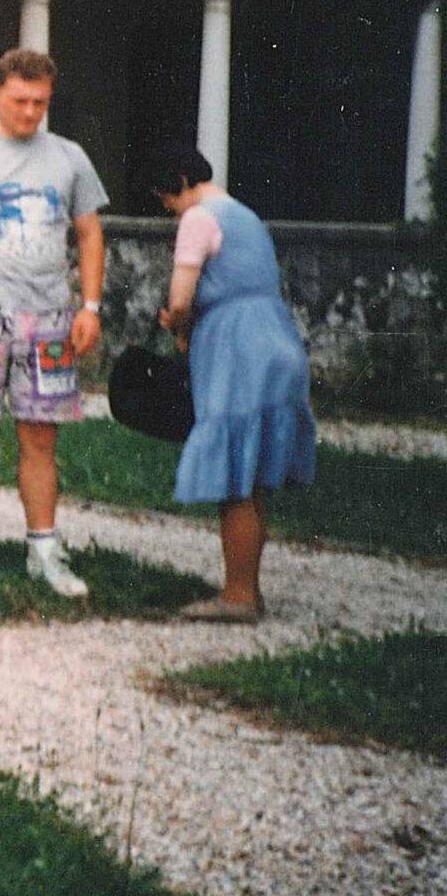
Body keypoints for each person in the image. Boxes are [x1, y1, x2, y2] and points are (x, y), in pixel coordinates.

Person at [0, 48, 108, 597]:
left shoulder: (69, 157)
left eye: (40, 103)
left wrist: (91, 306)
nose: (31, 113)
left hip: (50, 318)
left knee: (40, 436)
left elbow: (88, 233)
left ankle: (44, 552)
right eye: (20, 101)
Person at [150, 146, 317, 623]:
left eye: (167, 198)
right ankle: (248, 587)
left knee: (235, 479)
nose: (169, 208)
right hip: (276, 340)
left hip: (236, 346)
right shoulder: (246, 216)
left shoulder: (198, 219)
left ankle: (238, 596)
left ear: (182, 180)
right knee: (255, 476)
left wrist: (176, 326)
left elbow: (181, 299)